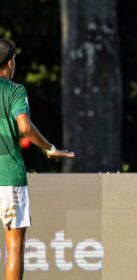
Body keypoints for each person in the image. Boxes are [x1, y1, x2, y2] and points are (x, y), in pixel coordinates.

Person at [0, 39, 74, 280]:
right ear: (10, 63)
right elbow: (25, 127)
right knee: (14, 248)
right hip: (9, 176)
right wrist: (50, 148)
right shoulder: (14, 90)